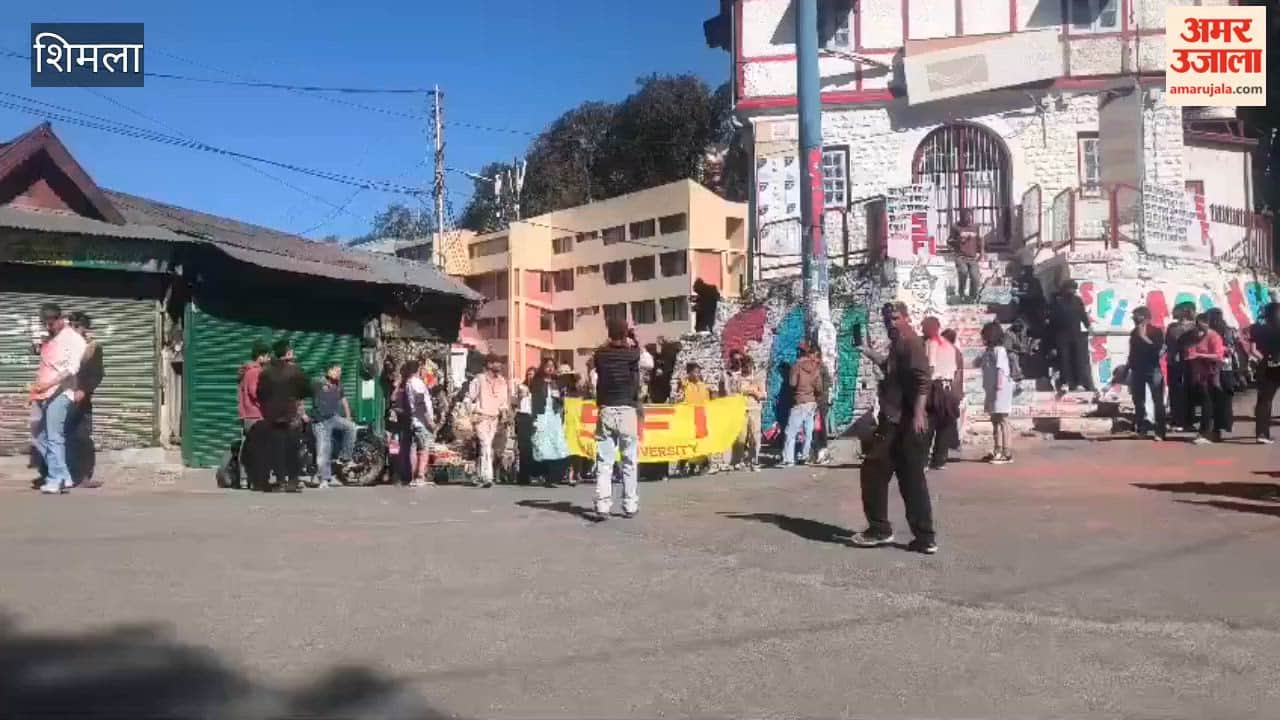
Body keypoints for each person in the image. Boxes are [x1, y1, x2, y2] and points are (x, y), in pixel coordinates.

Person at [850, 302, 936, 554]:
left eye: (896, 318)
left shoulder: (910, 343)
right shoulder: (900, 344)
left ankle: (883, 530)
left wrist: (919, 413)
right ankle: (922, 537)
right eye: (887, 319)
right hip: (897, 420)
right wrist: (867, 351)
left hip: (906, 422)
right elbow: (890, 367)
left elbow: (923, 379)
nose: (891, 323)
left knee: (885, 473)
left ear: (907, 318)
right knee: (901, 477)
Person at [27, 303, 87, 495]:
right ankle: (64, 475)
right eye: (45, 324)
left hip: (61, 393)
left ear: (61, 319)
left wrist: (48, 385)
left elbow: (71, 369)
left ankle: (56, 479)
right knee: (39, 436)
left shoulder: (74, 339)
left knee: (54, 437)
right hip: (44, 393)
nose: (48, 327)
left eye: (51, 323)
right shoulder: (51, 336)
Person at [593, 317, 642, 519]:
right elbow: (644, 358)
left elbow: (600, 353)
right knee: (629, 459)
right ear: (625, 334)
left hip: (606, 408)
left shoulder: (600, 355)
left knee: (605, 461)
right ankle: (630, 504)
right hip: (627, 409)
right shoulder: (632, 355)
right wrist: (634, 339)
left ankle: (603, 505)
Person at [251, 340, 312, 492]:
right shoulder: (295, 370)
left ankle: (279, 481)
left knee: (277, 449)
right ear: (287, 353)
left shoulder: (266, 372)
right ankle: (292, 481)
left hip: (272, 416)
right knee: (292, 448)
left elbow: (260, 393)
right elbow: (306, 390)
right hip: (290, 416)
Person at [65, 312, 104, 488]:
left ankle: (83, 476)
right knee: (60, 436)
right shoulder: (63, 344)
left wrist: (84, 390)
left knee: (82, 436)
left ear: (83, 328)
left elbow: (97, 374)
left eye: (75, 326)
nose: (72, 329)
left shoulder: (92, 347)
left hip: (81, 399)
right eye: (70, 325)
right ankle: (63, 474)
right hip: (62, 396)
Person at [921, 317, 961, 471]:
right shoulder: (949, 345)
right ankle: (940, 460)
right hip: (949, 388)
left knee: (929, 424)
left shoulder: (931, 343)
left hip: (935, 387)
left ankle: (923, 460)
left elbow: (930, 368)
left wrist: (922, 389)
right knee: (944, 425)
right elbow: (955, 370)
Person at [310, 362, 357, 489]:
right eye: (337, 371)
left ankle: (345, 458)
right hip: (320, 422)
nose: (339, 373)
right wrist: (302, 413)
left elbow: (344, 401)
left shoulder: (339, 385)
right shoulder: (317, 383)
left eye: (340, 371)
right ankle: (324, 479)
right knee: (323, 450)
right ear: (329, 371)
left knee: (351, 427)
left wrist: (348, 416)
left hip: (333, 418)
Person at [467, 354, 510, 488]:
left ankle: (480, 474)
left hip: (495, 418)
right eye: (496, 362)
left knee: (486, 446)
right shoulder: (479, 380)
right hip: (481, 417)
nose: (499, 365)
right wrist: (471, 412)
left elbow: (504, 401)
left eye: (500, 363)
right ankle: (487, 477)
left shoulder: (502, 381)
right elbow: (469, 398)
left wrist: (504, 413)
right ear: (489, 364)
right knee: (485, 445)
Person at [1184, 313, 1225, 445]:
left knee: (1208, 404)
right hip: (1199, 376)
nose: (1199, 330)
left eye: (1202, 327)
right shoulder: (1195, 337)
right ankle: (1208, 432)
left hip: (1212, 375)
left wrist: (1200, 355)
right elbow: (1190, 352)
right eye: (1197, 326)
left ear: (1207, 324)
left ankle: (1206, 432)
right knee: (1205, 404)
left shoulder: (1214, 337)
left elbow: (1218, 356)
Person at [1127, 307, 1167, 441]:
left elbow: (1157, 350)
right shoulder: (1133, 332)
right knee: (1138, 401)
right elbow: (1132, 352)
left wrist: (1144, 337)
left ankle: (1160, 431)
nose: (1133, 319)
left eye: (1136, 316)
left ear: (1143, 317)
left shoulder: (1156, 331)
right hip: (1137, 370)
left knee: (1158, 401)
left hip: (1153, 369)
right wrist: (1128, 368)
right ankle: (1141, 429)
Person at [781, 343, 824, 467]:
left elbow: (792, 383)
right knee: (808, 431)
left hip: (799, 401)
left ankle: (789, 459)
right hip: (811, 402)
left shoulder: (796, 366)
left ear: (799, 352)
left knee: (791, 432)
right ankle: (805, 456)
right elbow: (819, 387)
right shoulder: (815, 367)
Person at [530, 358, 571, 487]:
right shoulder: (537, 382)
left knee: (556, 445)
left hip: (554, 415)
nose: (550, 368)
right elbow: (534, 401)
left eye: (552, 366)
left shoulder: (556, 383)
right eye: (547, 366)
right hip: (542, 415)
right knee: (542, 445)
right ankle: (542, 474)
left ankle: (553, 476)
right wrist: (535, 417)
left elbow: (562, 398)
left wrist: (560, 398)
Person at [1050, 280, 1096, 393]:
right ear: (1065, 289)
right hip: (1062, 335)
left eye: (1074, 289)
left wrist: (1089, 327)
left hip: (1076, 334)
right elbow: (1053, 321)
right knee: (1064, 359)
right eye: (1070, 288)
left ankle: (1079, 383)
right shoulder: (1058, 302)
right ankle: (1065, 382)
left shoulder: (1077, 301)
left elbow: (1083, 315)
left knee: (1079, 359)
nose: (1072, 291)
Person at [979, 322, 1014, 464]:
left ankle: (1007, 452)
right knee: (994, 421)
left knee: (1003, 420)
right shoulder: (988, 351)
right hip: (991, 389)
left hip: (1000, 389)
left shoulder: (999, 350)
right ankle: (997, 449)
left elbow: (1001, 369)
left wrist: (998, 385)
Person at [1207, 308, 1242, 436]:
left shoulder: (1209, 333)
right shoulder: (1230, 331)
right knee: (1226, 398)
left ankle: (1216, 428)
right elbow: (1234, 350)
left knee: (1213, 398)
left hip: (1212, 367)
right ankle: (1226, 424)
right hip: (1227, 368)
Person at [1249, 302, 1280, 444]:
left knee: (1264, 400)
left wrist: (1265, 359)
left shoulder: (1257, 329)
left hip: (1266, 366)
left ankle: (1262, 433)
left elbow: (1252, 350)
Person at [677, 363, 714, 475]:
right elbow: (679, 392)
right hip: (688, 417)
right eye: (695, 371)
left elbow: (710, 399)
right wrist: (685, 379)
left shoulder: (703, 385)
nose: (697, 374)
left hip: (701, 417)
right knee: (688, 442)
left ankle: (703, 465)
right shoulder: (685, 384)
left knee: (701, 443)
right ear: (689, 373)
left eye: (699, 372)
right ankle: (684, 464)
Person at [1165, 302, 1197, 430]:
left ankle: (1179, 419)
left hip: (1179, 362)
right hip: (1183, 362)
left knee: (1179, 391)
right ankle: (1184, 419)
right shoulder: (1190, 328)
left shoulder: (1173, 327)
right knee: (1183, 391)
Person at [948, 209, 983, 301]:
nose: (969, 219)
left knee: (975, 277)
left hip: (972, 257)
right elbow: (949, 241)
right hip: (960, 257)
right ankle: (961, 293)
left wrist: (982, 253)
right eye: (966, 217)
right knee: (963, 272)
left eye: (970, 216)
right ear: (962, 217)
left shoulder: (975, 227)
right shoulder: (956, 227)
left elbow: (980, 240)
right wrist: (958, 241)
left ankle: (972, 296)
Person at [514, 367, 537, 485]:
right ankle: (523, 475)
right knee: (523, 448)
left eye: (532, 374)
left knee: (534, 447)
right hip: (523, 417)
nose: (530, 376)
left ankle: (535, 473)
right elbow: (515, 401)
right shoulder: (522, 387)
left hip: (535, 418)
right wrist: (520, 396)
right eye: (528, 374)